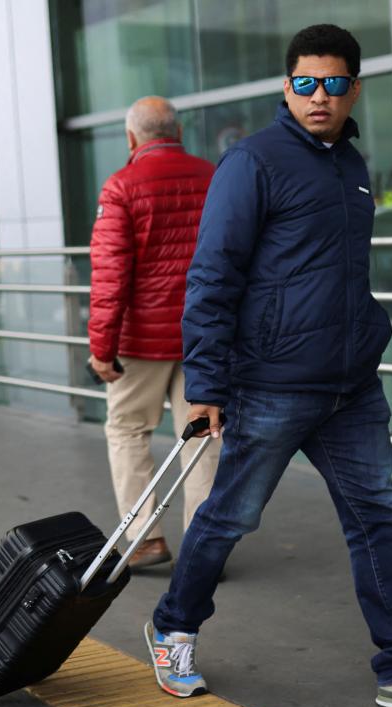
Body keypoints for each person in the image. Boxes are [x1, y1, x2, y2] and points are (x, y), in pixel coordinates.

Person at [144, 25, 392, 707]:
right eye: (305, 83)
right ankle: (172, 627)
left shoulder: (353, 167)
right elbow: (213, 275)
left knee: (378, 517)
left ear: (354, 88)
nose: (319, 97)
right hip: (272, 382)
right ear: (287, 87)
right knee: (229, 518)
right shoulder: (254, 162)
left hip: (351, 387)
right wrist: (207, 385)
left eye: (334, 83)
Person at [89, 96, 222, 569]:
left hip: (142, 343)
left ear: (131, 138)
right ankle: (205, 548)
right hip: (204, 337)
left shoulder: (122, 186)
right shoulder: (213, 179)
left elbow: (109, 276)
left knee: (127, 429)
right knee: (204, 436)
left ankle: (144, 539)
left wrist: (102, 349)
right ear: (178, 133)